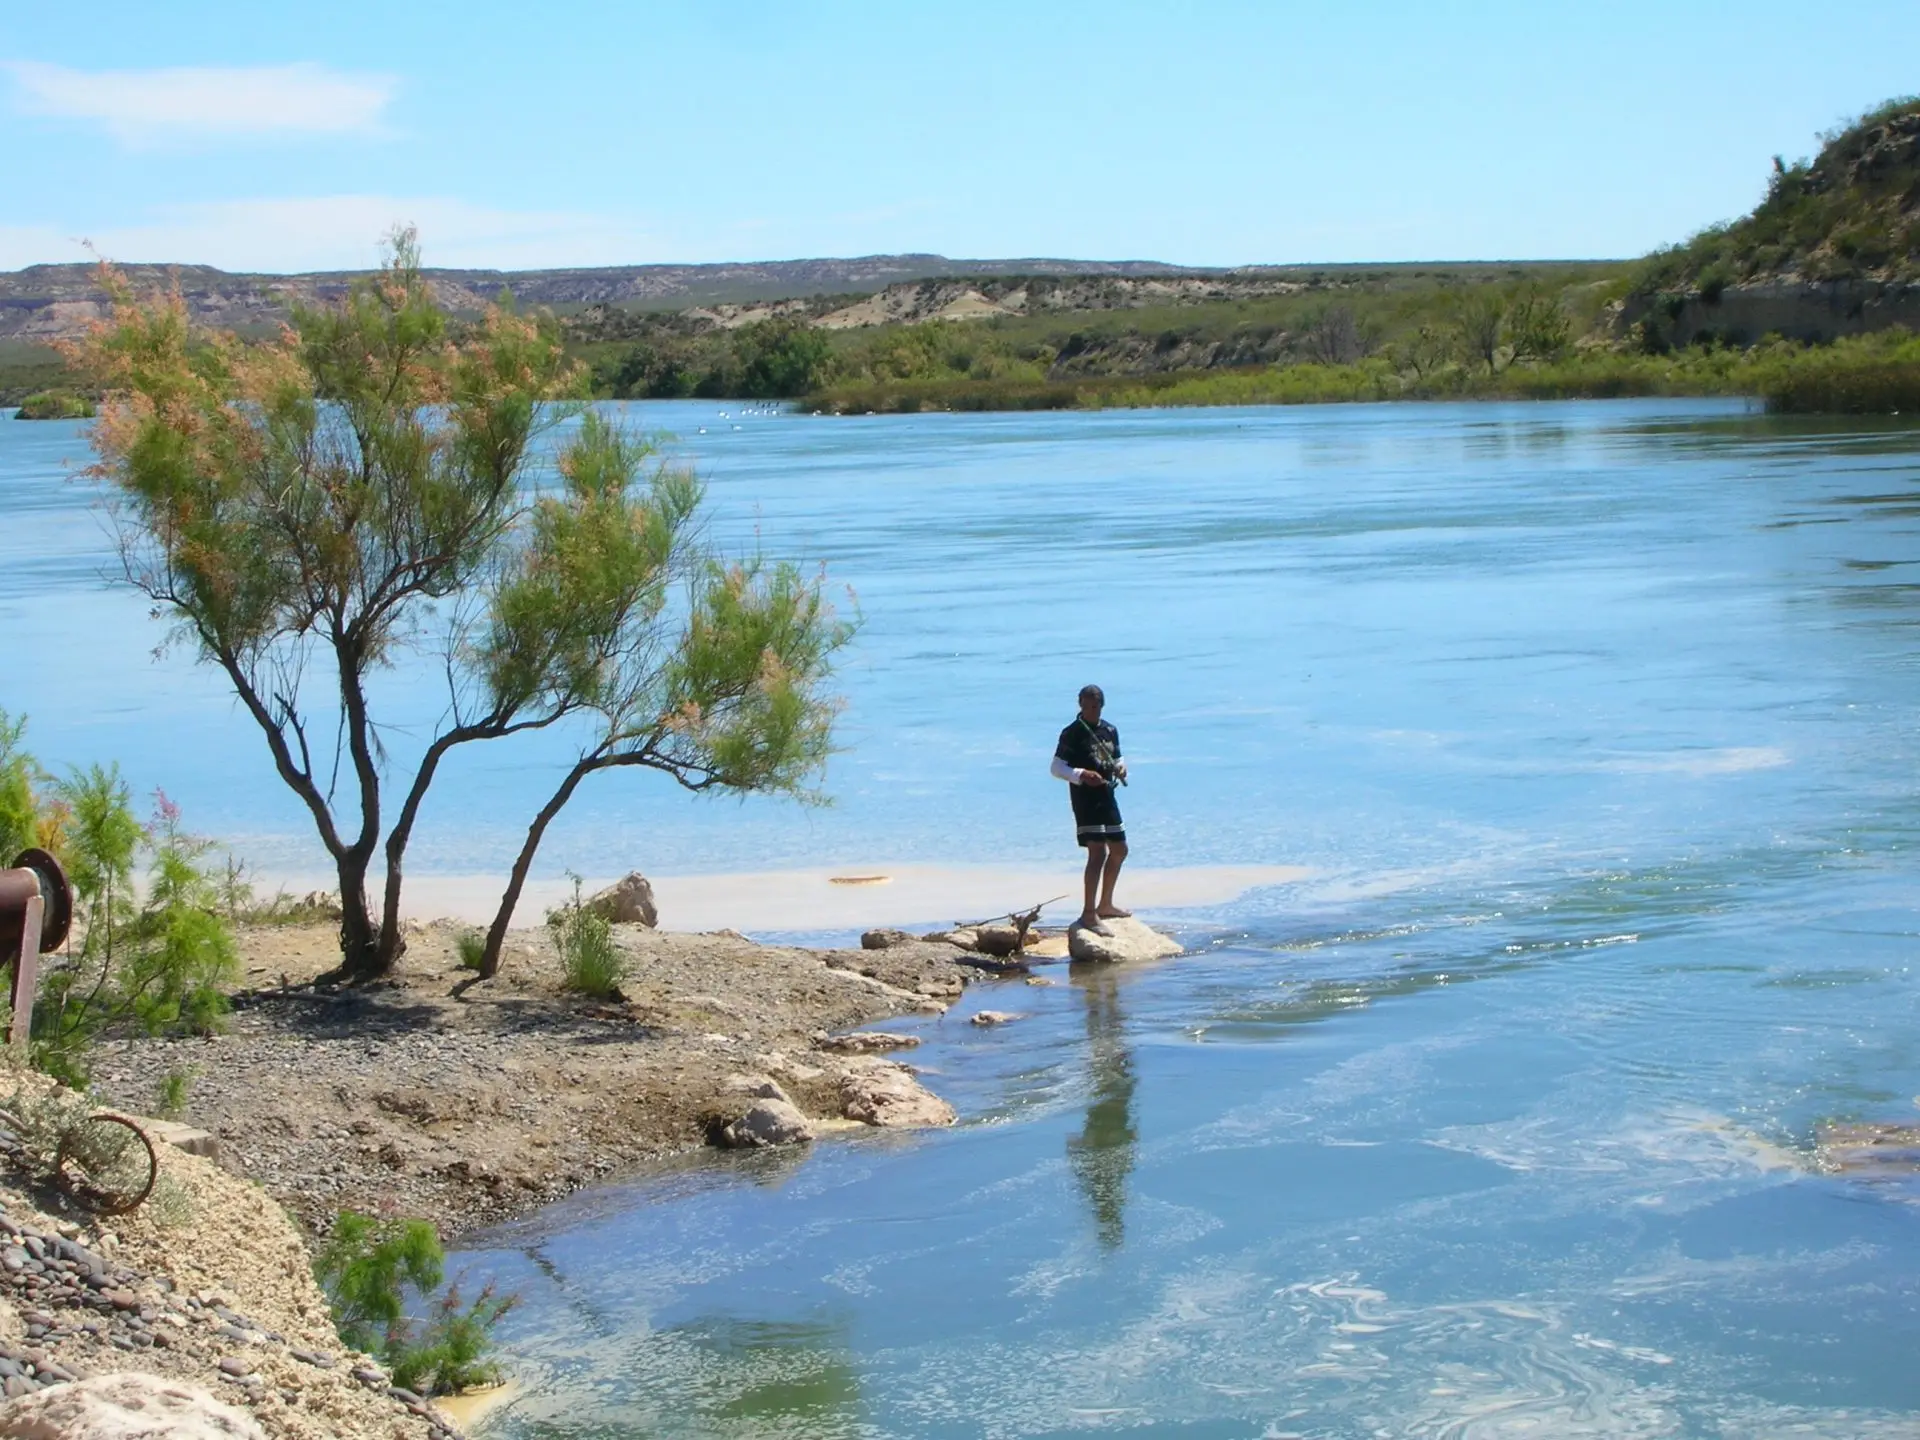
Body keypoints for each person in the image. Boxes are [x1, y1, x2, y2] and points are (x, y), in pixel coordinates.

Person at [1050, 684, 1130, 931]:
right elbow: (1056, 768)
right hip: (1085, 798)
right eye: (1088, 707)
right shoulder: (1071, 733)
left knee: (1119, 849)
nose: (1092, 711)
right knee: (1097, 852)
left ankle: (1105, 904)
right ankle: (1088, 913)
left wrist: (1121, 767)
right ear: (1080, 706)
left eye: (1096, 706)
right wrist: (1082, 774)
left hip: (1107, 794)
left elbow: (1117, 757)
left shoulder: (1109, 730)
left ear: (1102, 706)